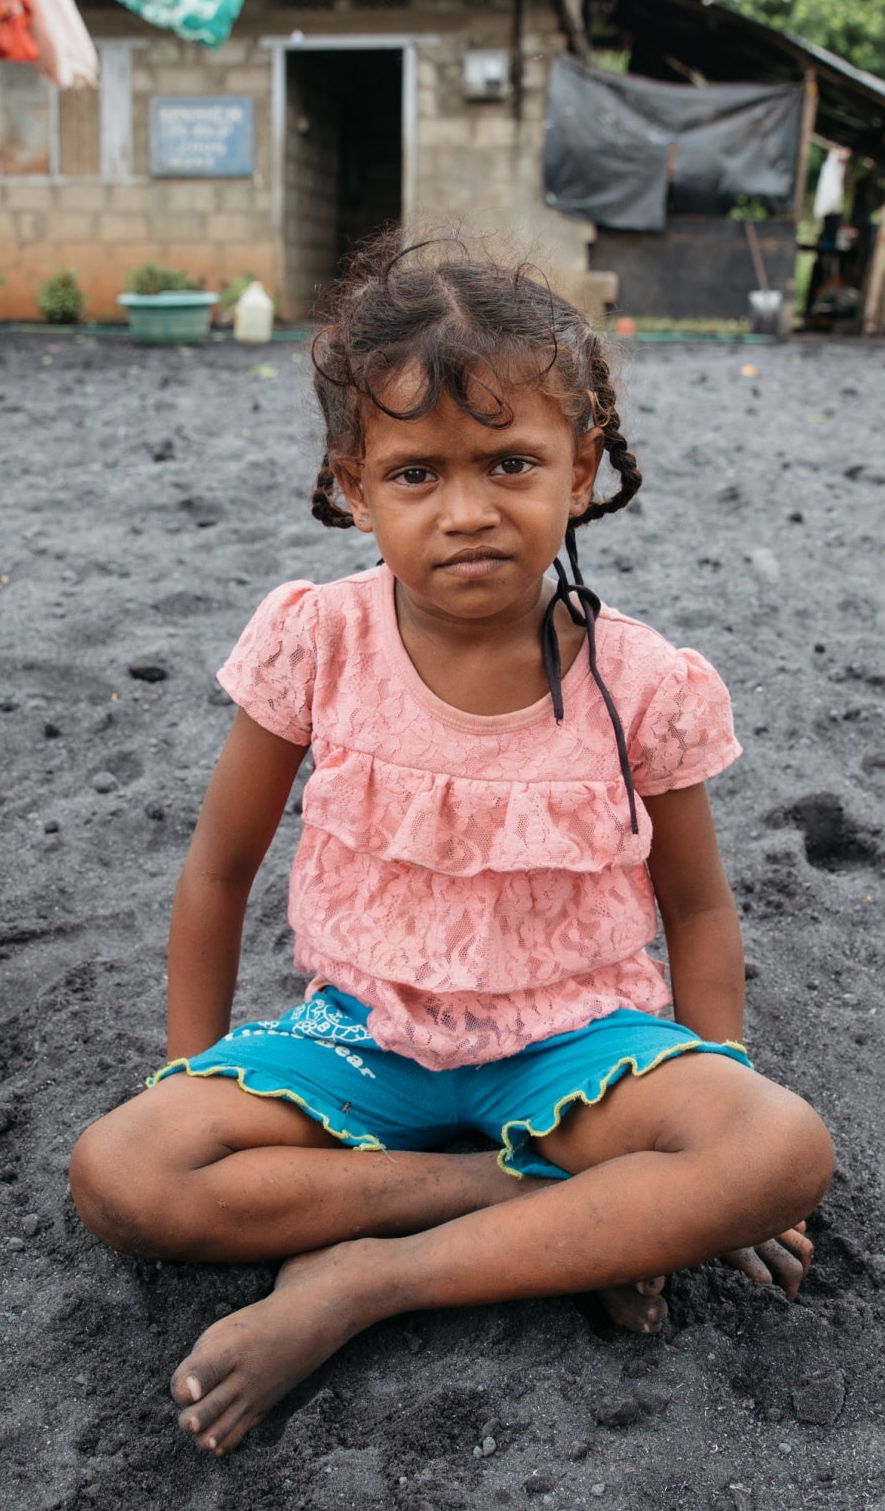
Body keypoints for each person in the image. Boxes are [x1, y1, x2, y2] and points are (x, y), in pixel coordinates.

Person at [67, 238, 836, 1457]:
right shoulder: (317, 640)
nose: (467, 509)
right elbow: (218, 872)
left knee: (777, 1146)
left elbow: (695, 911)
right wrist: (193, 1077)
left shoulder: (644, 681)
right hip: (359, 1036)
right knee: (124, 1170)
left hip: (578, 1042)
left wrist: (716, 1082)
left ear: (579, 470)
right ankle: (565, 1216)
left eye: (511, 462)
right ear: (354, 484)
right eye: (416, 472)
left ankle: (363, 1277)